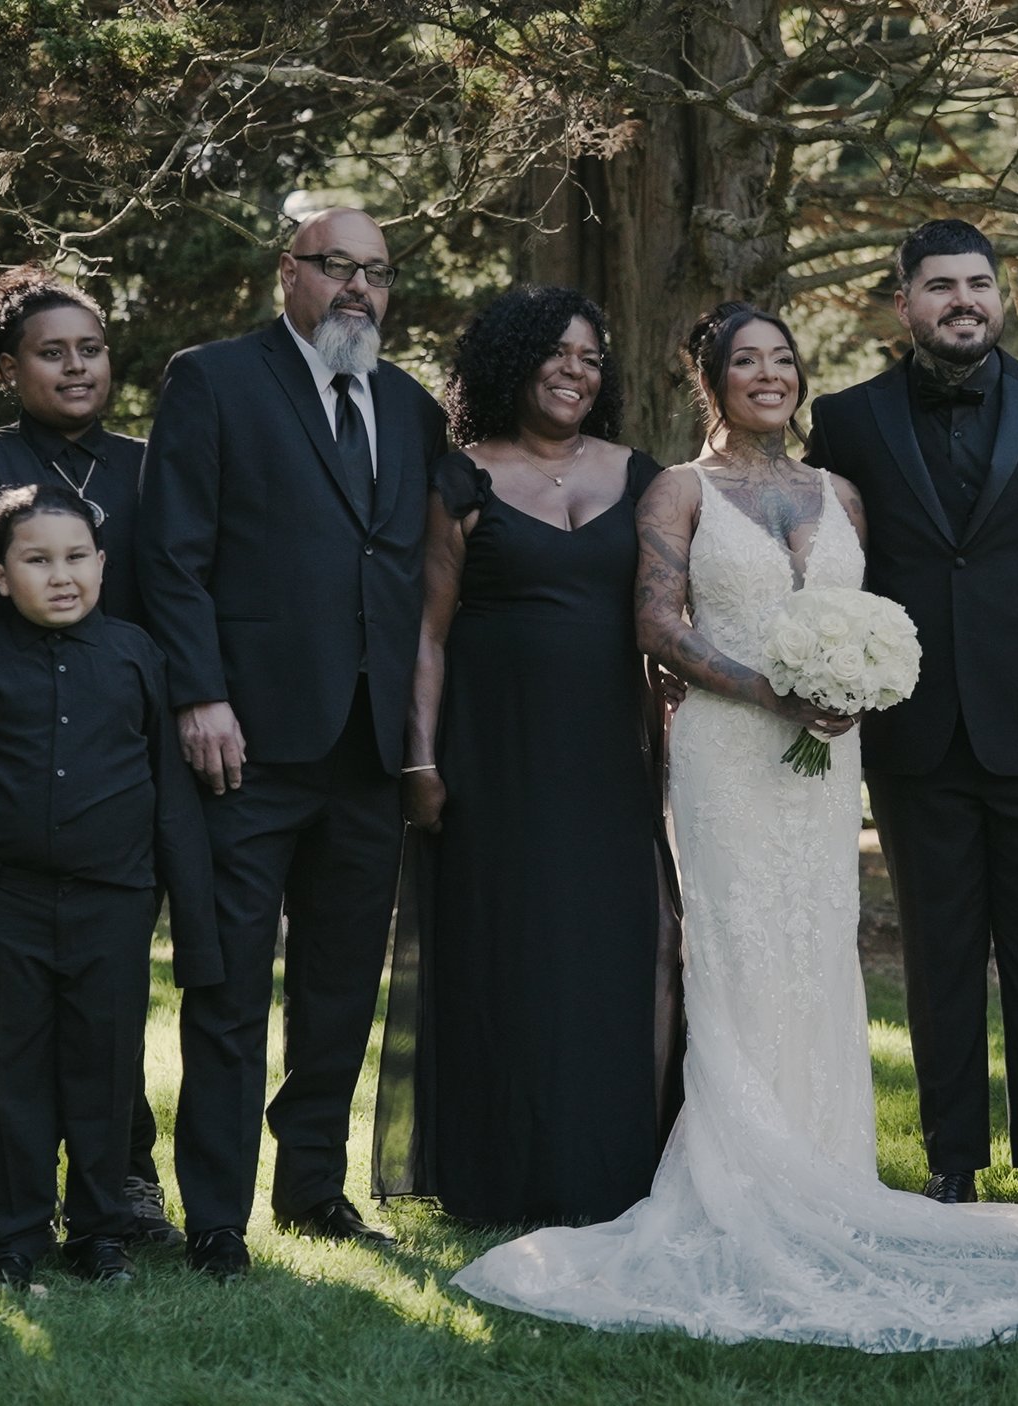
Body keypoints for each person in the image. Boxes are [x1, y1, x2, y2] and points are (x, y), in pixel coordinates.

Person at [447, 303, 1018, 1353]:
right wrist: (767, 688)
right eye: (745, 361)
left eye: (784, 360)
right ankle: (739, 1166)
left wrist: (859, 683)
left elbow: (875, 613)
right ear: (711, 380)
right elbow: (656, 623)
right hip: (729, 751)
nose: (770, 375)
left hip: (825, 761)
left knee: (817, 951)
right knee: (742, 951)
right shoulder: (678, 490)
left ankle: (830, 1164)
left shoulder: (841, 492)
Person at [137, 207, 448, 1280]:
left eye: (378, 272)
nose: (359, 288)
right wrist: (199, 695)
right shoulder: (215, 381)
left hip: (367, 750)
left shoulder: (410, 407)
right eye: (337, 266)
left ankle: (313, 1188)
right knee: (227, 988)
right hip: (246, 744)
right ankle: (216, 1216)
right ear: (289, 273)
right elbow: (172, 556)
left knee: (339, 985)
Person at [802, 219, 1018, 1210]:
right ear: (903, 302)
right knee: (938, 955)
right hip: (913, 733)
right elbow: (828, 572)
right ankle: (953, 1160)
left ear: (999, 296)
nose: (963, 301)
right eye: (941, 285)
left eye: (978, 284)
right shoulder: (847, 420)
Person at [370, 286, 676, 1226]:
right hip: (493, 751)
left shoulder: (643, 477)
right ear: (511, 362)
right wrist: (421, 762)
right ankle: (499, 1171)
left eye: (591, 357)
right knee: (504, 951)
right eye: (556, 352)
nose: (575, 371)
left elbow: (668, 625)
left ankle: (613, 1168)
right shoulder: (460, 478)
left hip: (608, 755)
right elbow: (428, 634)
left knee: (610, 951)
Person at [0, 485, 220, 1288]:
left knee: (103, 1069)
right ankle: (10, 1230)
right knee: (6, 1065)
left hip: (114, 901)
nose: (61, 575)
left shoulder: (138, 657)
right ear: (1, 578)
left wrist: (194, 920)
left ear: (103, 565)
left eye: (77, 557)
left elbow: (170, 796)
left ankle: (101, 1231)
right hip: (0, 901)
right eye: (37, 561)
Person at [0, 265, 177, 1244]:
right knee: (17, 1021)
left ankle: (123, 1179)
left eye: (90, 349)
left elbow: (183, 592)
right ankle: (14, 1202)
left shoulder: (152, 467)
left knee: (106, 1001)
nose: (76, 367)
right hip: (12, 761)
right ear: (4, 366)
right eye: (51, 352)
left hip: (124, 753)